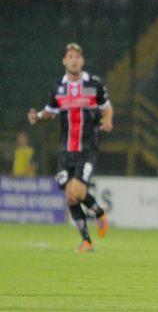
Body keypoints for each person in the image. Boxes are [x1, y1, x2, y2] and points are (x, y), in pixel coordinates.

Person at [28, 43, 112, 253]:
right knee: (70, 195)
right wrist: (37, 117)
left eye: (77, 57)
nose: (74, 60)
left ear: (82, 61)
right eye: (70, 57)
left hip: (88, 148)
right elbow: (50, 112)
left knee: (77, 189)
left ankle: (99, 213)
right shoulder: (58, 87)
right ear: (64, 61)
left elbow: (106, 108)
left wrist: (108, 120)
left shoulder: (94, 85)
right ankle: (87, 241)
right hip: (66, 150)